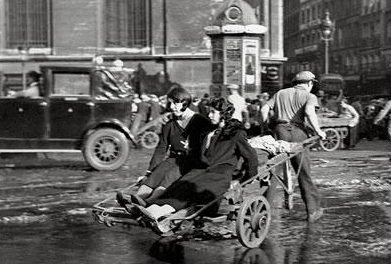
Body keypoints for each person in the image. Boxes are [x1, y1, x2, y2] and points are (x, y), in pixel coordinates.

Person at [133, 98, 258, 230]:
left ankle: (156, 213)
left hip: (219, 176)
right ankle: (151, 208)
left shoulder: (236, 134)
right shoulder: (208, 131)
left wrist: (245, 179)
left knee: (191, 192)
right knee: (178, 187)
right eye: (209, 112)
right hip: (201, 170)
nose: (209, 115)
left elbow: (251, 157)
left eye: (213, 112)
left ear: (223, 114)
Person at [117, 86, 214, 208]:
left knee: (169, 177)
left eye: (174, 103)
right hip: (173, 158)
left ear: (185, 103)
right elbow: (161, 149)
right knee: (157, 173)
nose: (171, 107)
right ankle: (137, 198)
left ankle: (149, 201)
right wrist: (149, 172)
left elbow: (213, 141)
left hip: (191, 161)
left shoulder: (201, 122)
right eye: (170, 103)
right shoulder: (170, 124)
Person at [260, 70, 326, 222]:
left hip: (279, 131)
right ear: (309, 83)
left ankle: (263, 210)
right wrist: (319, 131)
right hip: (297, 133)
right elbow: (310, 113)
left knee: (272, 172)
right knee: (303, 172)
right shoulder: (310, 96)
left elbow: (264, 109)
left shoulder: (280, 93)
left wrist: (265, 128)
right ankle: (313, 211)